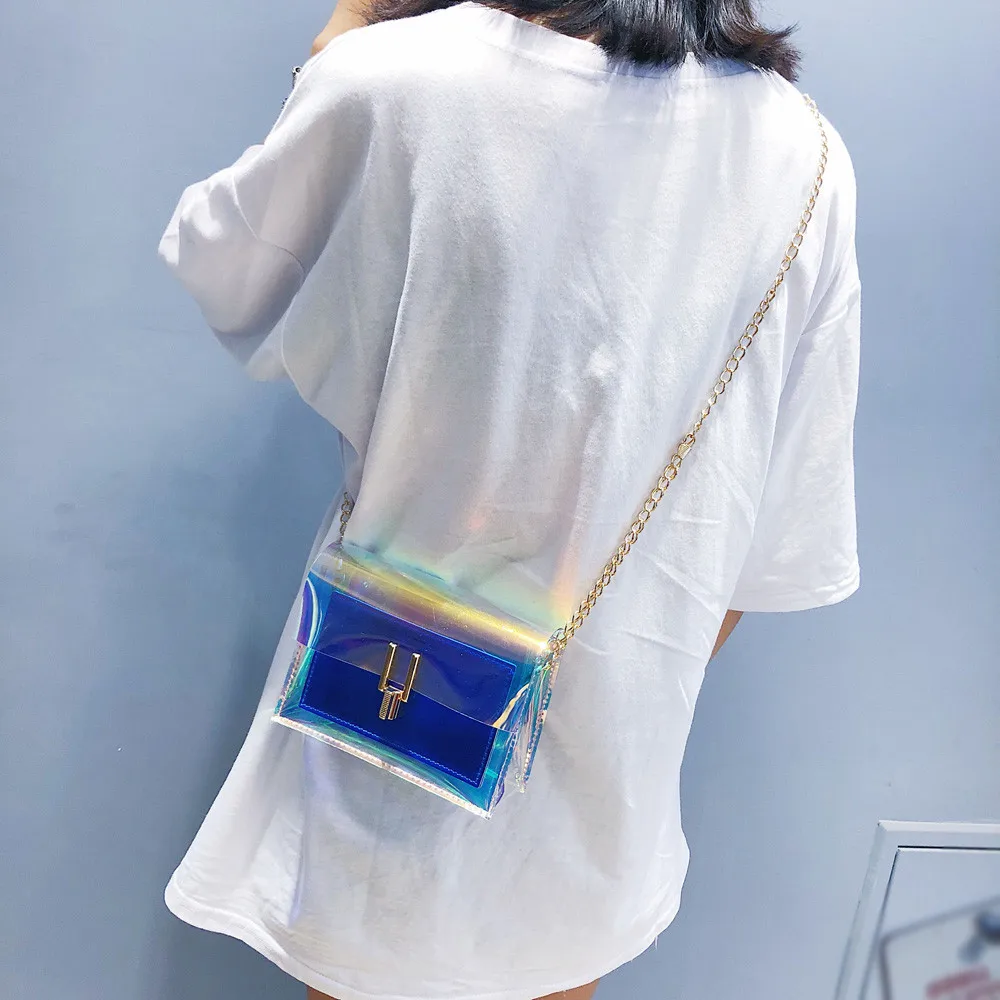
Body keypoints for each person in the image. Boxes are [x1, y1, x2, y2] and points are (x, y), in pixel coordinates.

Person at [156, 0, 862, 996]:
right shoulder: (806, 152)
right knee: (557, 958)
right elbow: (776, 535)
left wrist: (341, 36)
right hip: (607, 764)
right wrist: (579, 681)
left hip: (387, 708)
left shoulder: (389, 78)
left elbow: (224, 262)